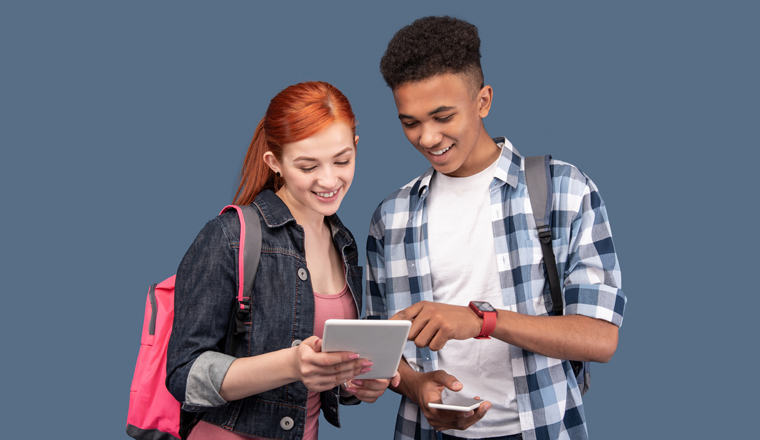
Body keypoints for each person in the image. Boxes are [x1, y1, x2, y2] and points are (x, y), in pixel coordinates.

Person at [366, 16, 626, 440]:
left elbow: (600, 338)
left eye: (443, 116)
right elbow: (379, 345)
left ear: (483, 100)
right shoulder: (390, 217)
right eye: (410, 122)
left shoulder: (562, 189)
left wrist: (483, 321)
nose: (428, 138)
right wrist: (415, 386)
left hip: (541, 429)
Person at [166, 81, 398, 440]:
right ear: (276, 163)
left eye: (342, 160)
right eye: (308, 166)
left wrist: (355, 382)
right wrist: (291, 364)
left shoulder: (345, 244)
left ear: (355, 147)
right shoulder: (229, 236)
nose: (329, 179)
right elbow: (184, 374)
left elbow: (321, 378)